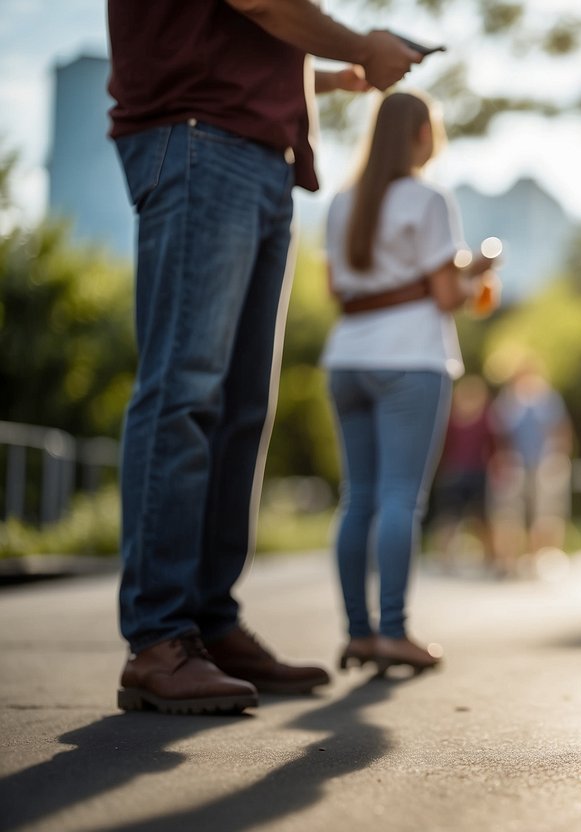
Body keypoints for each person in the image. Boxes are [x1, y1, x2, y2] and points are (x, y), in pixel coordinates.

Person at [108, 0, 422, 715]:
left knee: (240, 407)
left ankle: (209, 625)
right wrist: (365, 45)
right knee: (184, 392)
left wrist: (335, 74)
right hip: (199, 138)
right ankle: (159, 639)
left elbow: (229, 38)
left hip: (248, 147)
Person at [323, 91, 499, 674]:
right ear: (423, 134)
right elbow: (447, 296)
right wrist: (476, 275)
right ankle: (393, 632)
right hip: (411, 358)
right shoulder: (429, 198)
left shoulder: (344, 202)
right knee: (402, 497)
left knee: (359, 498)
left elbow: (336, 290)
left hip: (346, 355)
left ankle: (357, 632)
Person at [490, 359, 573, 575]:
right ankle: (509, 561)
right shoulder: (507, 402)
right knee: (509, 514)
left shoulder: (548, 399)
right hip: (514, 465)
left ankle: (542, 557)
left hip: (544, 462)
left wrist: (556, 459)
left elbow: (560, 430)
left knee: (547, 512)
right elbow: (498, 436)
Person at [428, 374, 501, 575]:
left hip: (456, 472)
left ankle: (446, 559)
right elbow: (494, 445)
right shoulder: (484, 417)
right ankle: (490, 560)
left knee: (453, 518)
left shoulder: (452, 417)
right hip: (473, 471)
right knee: (477, 519)